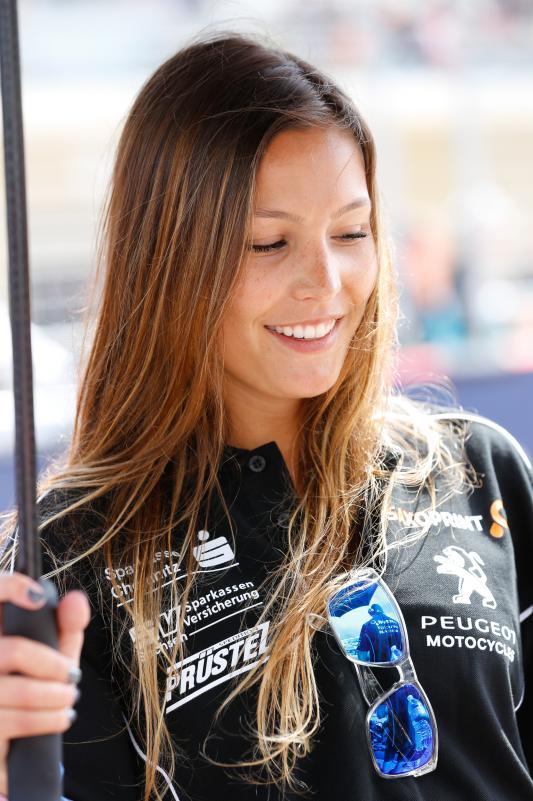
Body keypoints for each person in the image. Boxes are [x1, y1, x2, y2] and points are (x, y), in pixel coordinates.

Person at [0, 29, 531, 801]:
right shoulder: (70, 557)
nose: (326, 280)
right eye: (268, 242)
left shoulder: (477, 471)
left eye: (350, 232)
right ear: (170, 260)